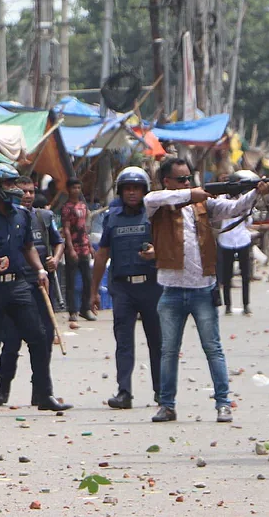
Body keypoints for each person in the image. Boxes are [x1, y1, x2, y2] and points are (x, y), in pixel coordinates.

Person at [144, 158, 269, 423]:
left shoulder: (203, 204)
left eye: (189, 178)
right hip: (171, 290)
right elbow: (154, 198)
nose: (187, 183)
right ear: (166, 181)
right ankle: (167, 405)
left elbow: (234, 207)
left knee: (213, 349)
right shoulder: (157, 203)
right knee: (168, 351)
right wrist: (191, 193)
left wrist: (256, 192)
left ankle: (223, 403)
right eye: (181, 179)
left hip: (203, 288)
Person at [0, 164, 72, 417]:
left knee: (39, 338)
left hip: (19, 285)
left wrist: (40, 269)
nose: (15, 189)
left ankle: (44, 394)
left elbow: (28, 246)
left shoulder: (23, 215)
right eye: (9, 184)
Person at [90, 167, 161, 410]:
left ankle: (162, 391)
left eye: (137, 188)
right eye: (128, 188)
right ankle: (124, 392)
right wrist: (93, 292)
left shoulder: (155, 216)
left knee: (157, 342)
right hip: (122, 289)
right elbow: (102, 255)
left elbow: (170, 248)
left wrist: (156, 254)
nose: (132, 193)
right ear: (121, 191)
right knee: (124, 342)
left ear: (145, 191)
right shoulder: (112, 218)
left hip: (152, 287)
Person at [0, 176, 65, 406]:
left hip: (40, 285)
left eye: (31, 191)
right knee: (11, 340)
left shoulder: (43, 217)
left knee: (43, 339)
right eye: (23, 191)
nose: (28, 196)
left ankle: (42, 391)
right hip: (15, 285)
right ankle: (2, 390)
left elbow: (58, 241)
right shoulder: (7, 218)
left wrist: (55, 259)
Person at [217, 179, 254, 316]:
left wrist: (245, 213)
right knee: (227, 275)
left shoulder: (245, 200)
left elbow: (249, 221)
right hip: (226, 239)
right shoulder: (221, 200)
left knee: (245, 274)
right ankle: (228, 305)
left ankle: (246, 304)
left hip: (242, 238)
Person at [61, 178, 96, 325]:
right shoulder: (67, 208)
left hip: (84, 247)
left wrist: (90, 246)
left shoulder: (83, 206)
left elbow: (85, 228)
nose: (77, 190)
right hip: (73, 248)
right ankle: (72, 311)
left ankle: (85, 308)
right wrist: (70, 248)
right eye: (74, 188)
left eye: (78, 187)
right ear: (69, 189)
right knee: (71, 280)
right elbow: (67, 230)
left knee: (88, 279)